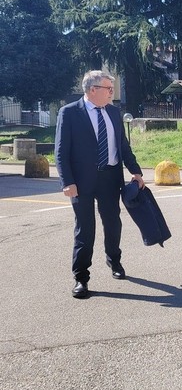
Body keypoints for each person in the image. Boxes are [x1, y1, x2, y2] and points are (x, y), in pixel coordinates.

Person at [55, 70, 145, 299]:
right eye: (109, 89)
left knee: (113, 224)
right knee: (85, 229)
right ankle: (81, 277)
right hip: (81, 182)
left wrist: (135, 171)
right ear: (93, 90)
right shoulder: (69, 113)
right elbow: (61, 152)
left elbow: (123, 147)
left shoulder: (114, 112)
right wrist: (67, 182)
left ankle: (114, 260)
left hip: (110, 178)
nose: (112, 93)